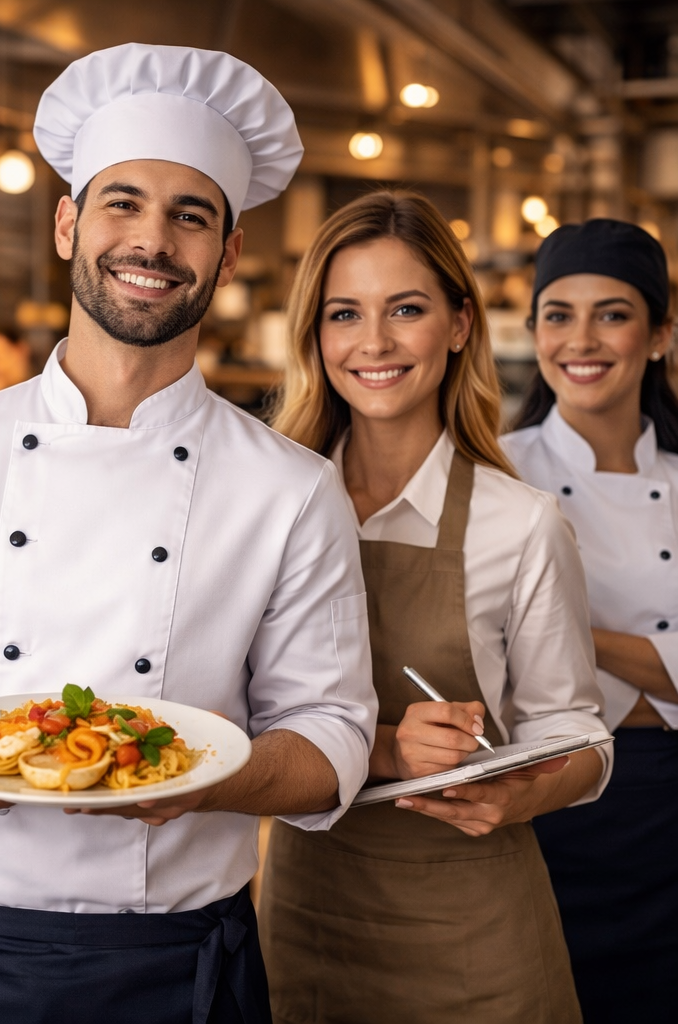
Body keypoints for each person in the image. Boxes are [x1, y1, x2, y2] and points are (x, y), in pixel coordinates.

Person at [0, 43, 376, 1023]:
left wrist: (208, 780)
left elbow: (331, 740)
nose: (151, 241)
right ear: (68, 223)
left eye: (190, 214)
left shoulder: (290, 488)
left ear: (229, 253)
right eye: (122, 203)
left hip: (181, 957)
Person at [258, 191, 611, 1024]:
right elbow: (218, 710)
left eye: (406, 310)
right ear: (314, 335)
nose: (373, 343)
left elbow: (582, 735)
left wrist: (518, 794)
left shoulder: (520, 522)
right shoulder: (263, 505)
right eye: (345, 313)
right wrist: (379, 748)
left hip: (476, 932)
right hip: (306, 913)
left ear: (458, 325)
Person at [502, 218, 678, 1023]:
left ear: (661, 333)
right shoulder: (494, 469)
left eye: (612, 313)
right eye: (557, 314)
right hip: (551, 791)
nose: (582, 339)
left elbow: (511, 634)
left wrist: (558, 626)